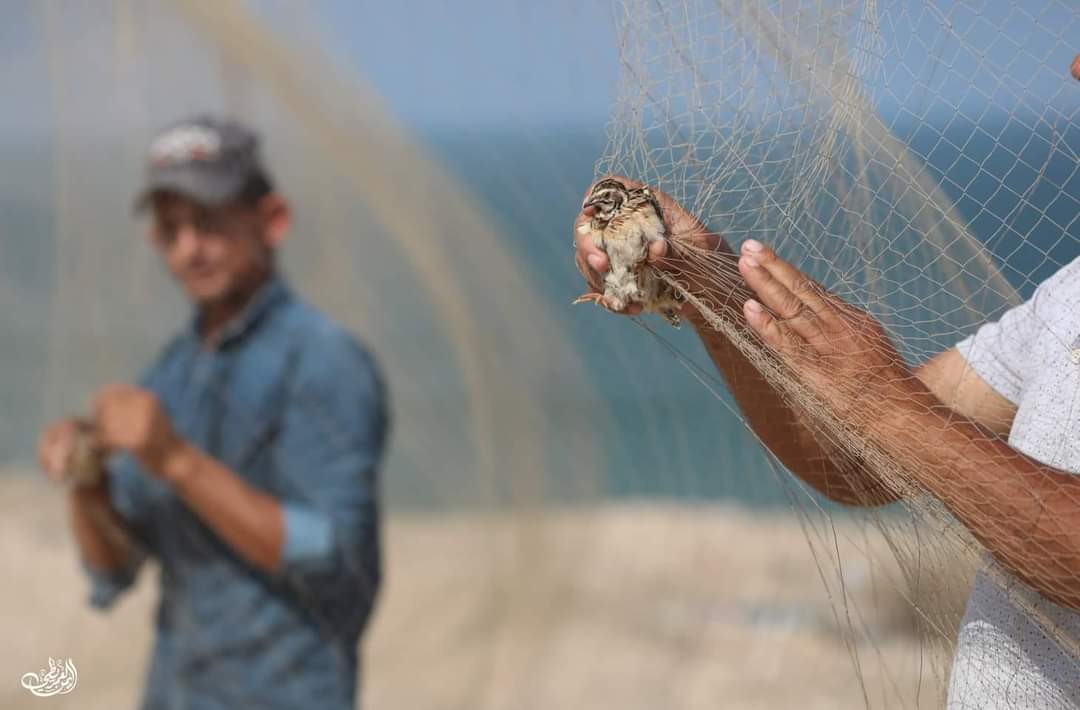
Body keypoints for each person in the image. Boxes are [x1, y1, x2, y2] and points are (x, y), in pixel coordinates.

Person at [572, 79, 1080, 706]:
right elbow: (854, 466)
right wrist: (701, 279)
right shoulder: (1070, 294)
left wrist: (883, 405)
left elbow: (891, 430)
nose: (1076, 64)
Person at [37, 116, 389, 710]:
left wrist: (174, 459)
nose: (189, 248)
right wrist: (86, 480)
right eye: (172, 229)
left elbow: (337, 563)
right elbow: (116, 568)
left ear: (271, 220)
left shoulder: (324, 361)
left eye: (210, 223)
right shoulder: (171, 373)